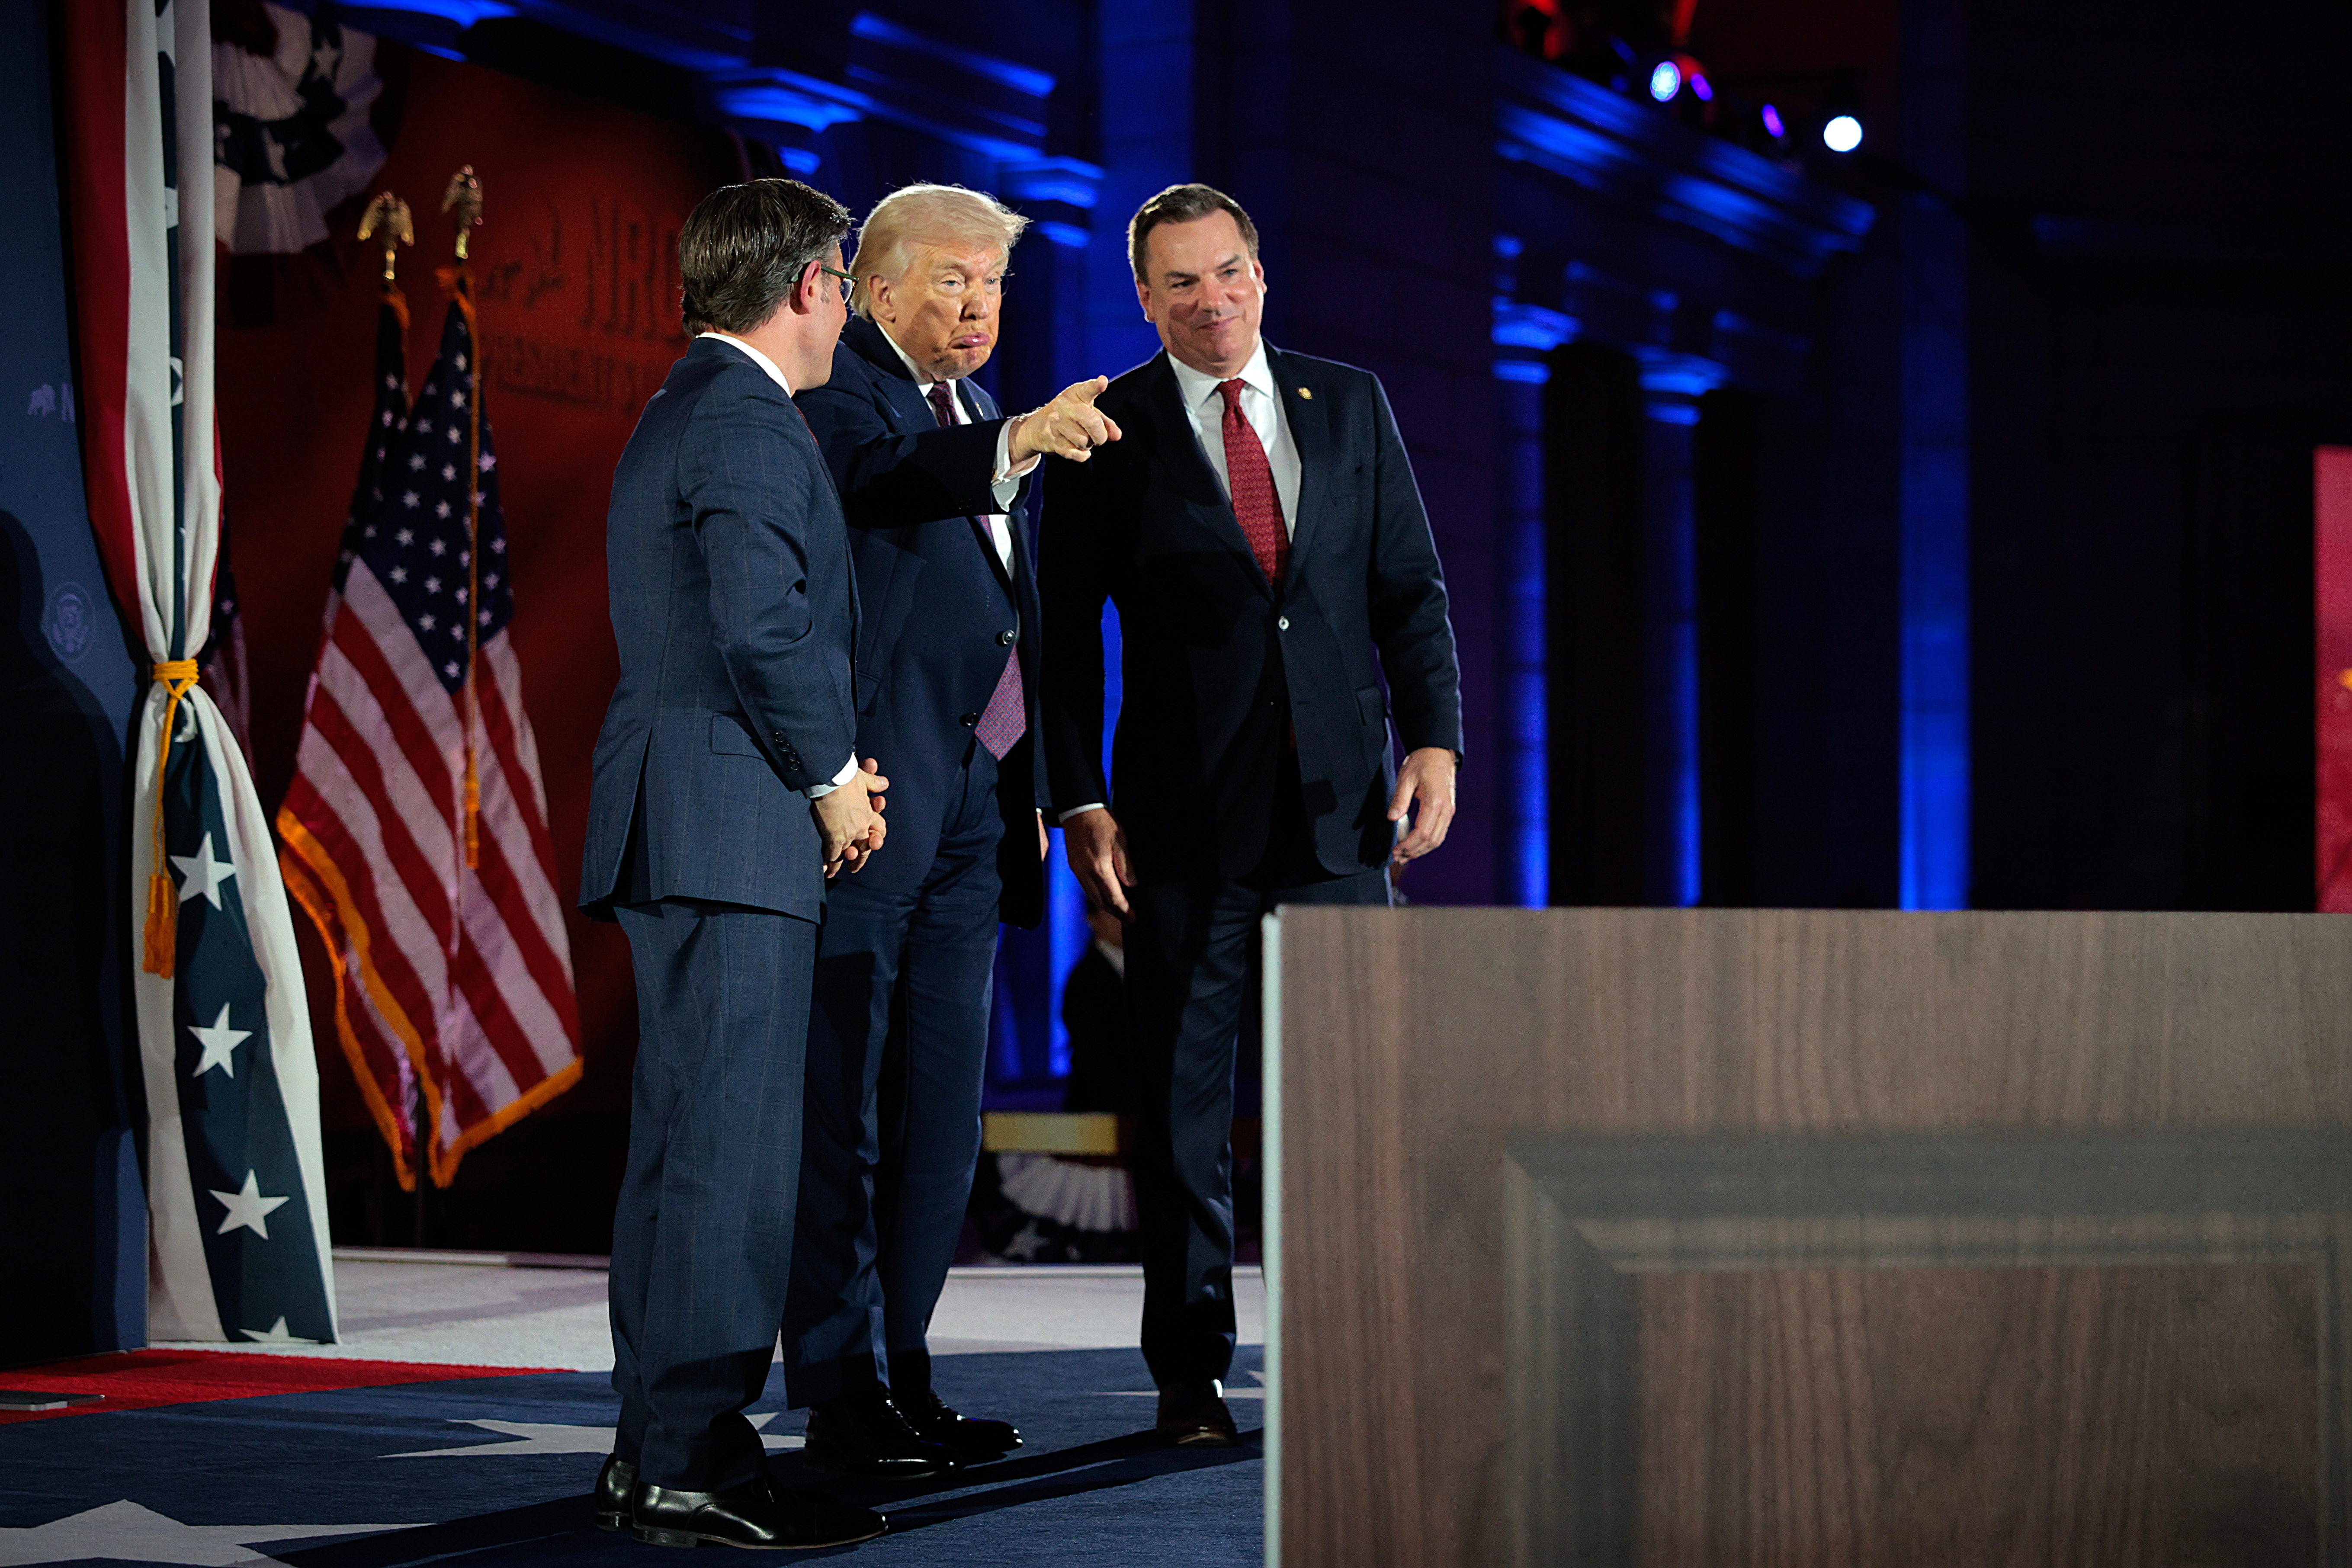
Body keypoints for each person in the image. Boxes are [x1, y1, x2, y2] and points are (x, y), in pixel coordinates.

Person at [1040, 182, 1464, 1446]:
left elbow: (1412, 591)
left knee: (1349, 1103)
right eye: (1180, 282)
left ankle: (1352, 1356)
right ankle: (1189, 1375)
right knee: (1182, 1109)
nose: (1209, 300)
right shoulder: (1107, 429)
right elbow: (1063, 639)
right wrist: (1079, 797)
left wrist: (1434, 736)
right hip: (1178, 829)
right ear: (1146, 298)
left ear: (1261, 277)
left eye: (1227, 273)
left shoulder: (1353, 403)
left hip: (1341, 818)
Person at [784, 182, 1121, 1479]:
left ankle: (905, 1373)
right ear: (874, 288)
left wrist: (1043, 787)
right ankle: (837, 1380)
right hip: (872, 810)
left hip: (980, 817)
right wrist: (1013, 444)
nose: (979, 307)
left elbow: (1013, 623)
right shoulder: (842, 399)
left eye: (993, 285)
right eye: (952, 282)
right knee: (849, 1109)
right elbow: (879, 488)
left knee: (942, 1117)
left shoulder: (982, 413)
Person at [578, 176, 889, 1552]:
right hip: (733, 820)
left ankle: (653, 1441)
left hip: (680, 815)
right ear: (811, 284)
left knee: (682, 1148)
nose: (848, 303)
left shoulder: (683, 406)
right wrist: (832, 781)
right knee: (731, 1157)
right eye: (843, 276)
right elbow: (766, 632)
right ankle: (694, 1448)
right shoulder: (754, 421)